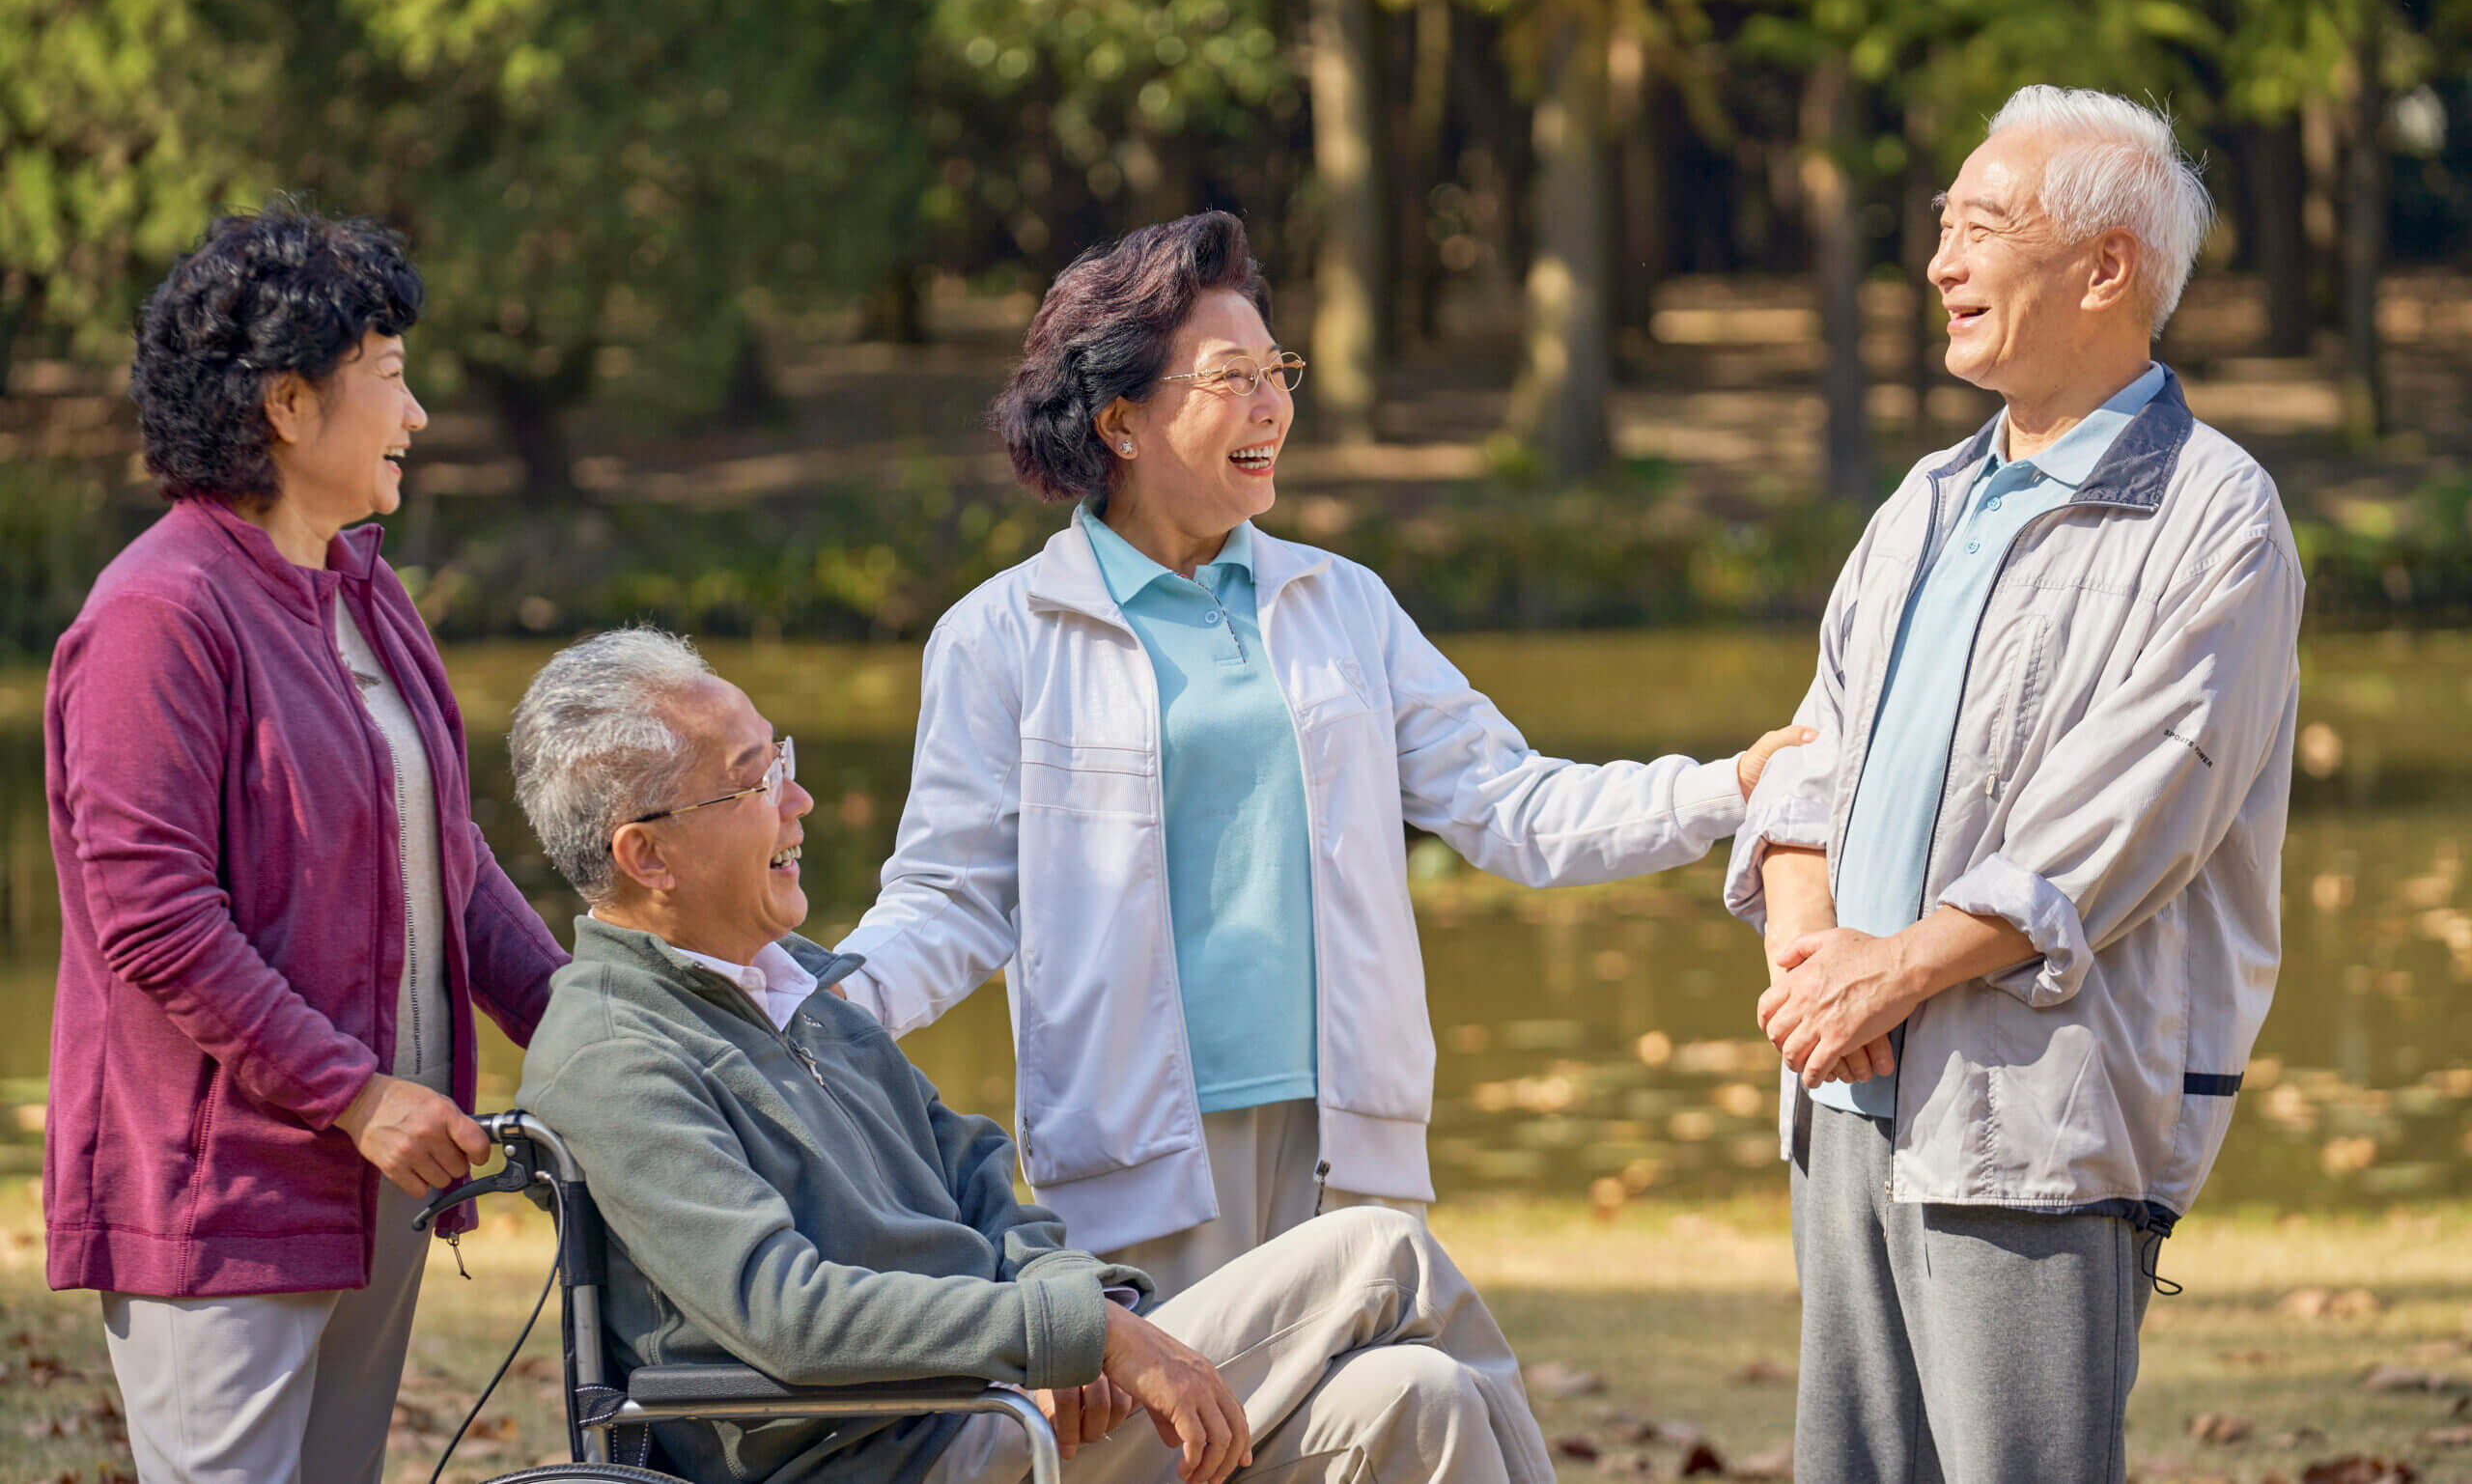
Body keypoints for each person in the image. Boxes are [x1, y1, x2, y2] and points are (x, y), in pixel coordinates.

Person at [833, 210, 1809, 1298]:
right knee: (1180, 1456)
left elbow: (1508, 804)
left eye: (1275, 370)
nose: (1272, 406)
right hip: (1133, 1160)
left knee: (1371, 1433)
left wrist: (1730, 787)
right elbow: (951, 898)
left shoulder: (1340, 604)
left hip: (1353, 1143)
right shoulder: (1004, 633)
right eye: (1231, 377)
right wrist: (806, 1005)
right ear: (1119, 421)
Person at [509, 628, 1557, 1484]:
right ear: (645, 855)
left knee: (1420, 1399)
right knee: (1378, 1249)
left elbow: (984, 1192)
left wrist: (1075, 1311)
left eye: (780, 762)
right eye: (751, 784)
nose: (798, 802)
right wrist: (1078, 1333)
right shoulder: (614, 1051)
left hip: (1001, 1407)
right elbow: (788, 1316)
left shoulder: (801, 992)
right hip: (894, 1454)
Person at [1727, 86, 2303, 1483]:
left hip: (2035, 1119)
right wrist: (1818, 964)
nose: (1941, 262)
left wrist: (1898, 972)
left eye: (1983, 225)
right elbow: (1809, 759)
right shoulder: (1925, 499)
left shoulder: (2216, 515)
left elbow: (2124, 821)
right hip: (1849, 1094)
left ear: (2105, 268)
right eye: (1943, 226)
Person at [42, 206, 571, 1484]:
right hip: (223, 1198)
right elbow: (158, 921)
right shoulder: (157, 615)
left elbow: (452, 858)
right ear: (289, 402)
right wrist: (359, 1093)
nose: (419, 413)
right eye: (389, 375)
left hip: (381, 1186)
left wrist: (589, 1022)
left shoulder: (367, 592)